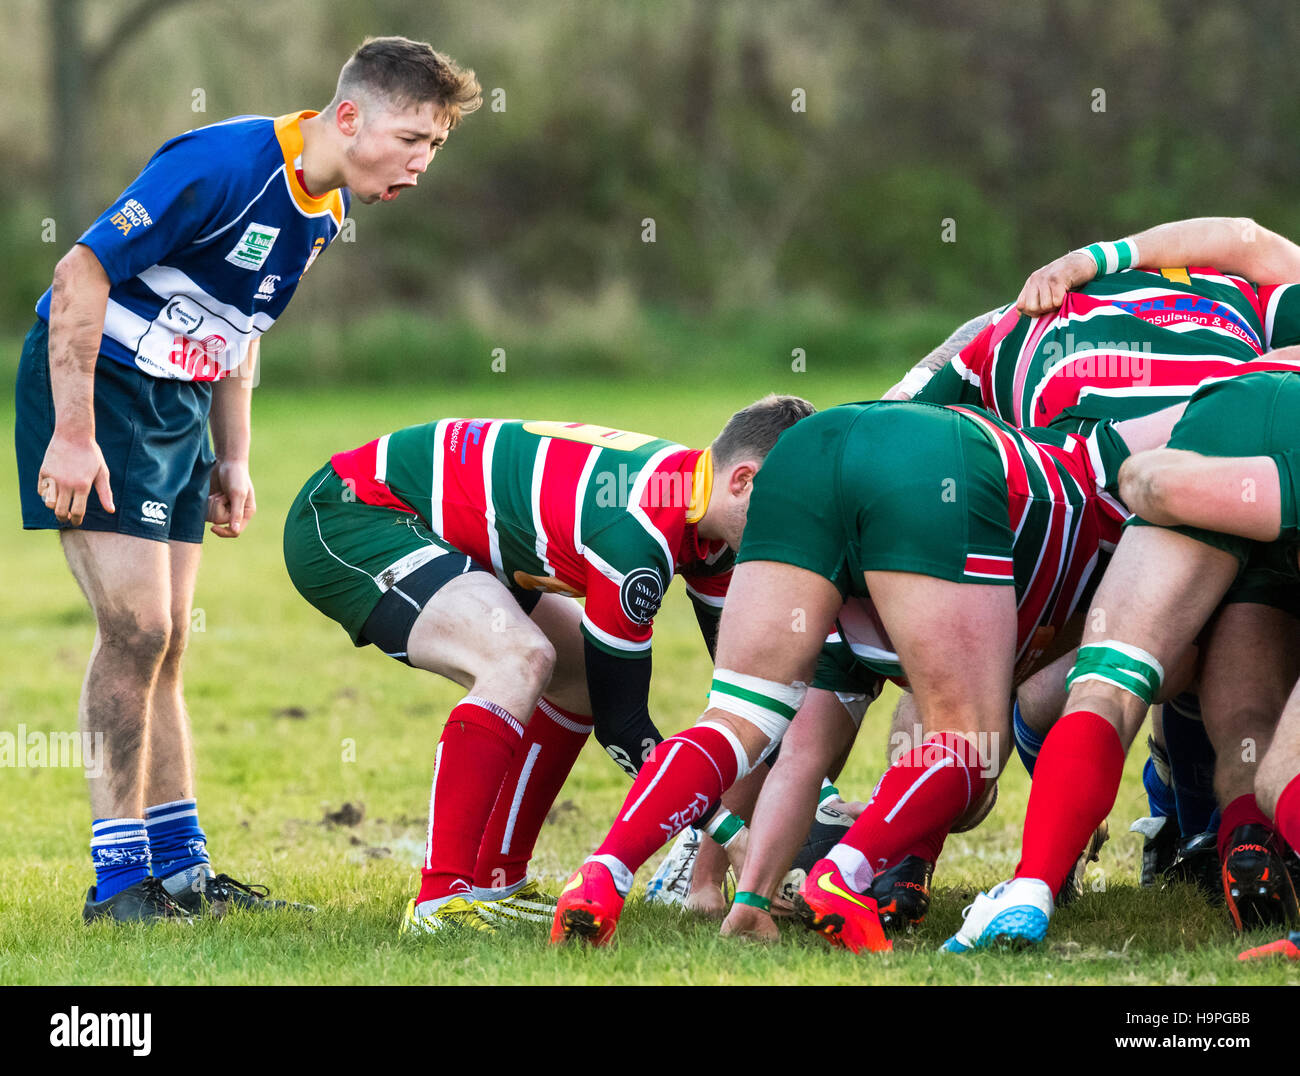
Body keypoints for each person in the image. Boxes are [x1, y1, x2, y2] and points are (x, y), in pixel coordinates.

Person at [14, 36, 482, 923]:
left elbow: (238, 325)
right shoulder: (225, 164)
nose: (422, 164)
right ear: (349, 117)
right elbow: (79, 272)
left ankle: (182, 872)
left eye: (436, 148)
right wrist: (72, 434)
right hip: (98, 388)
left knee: (172, 639)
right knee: (137, 628)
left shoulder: (324, 207)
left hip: (179, 403)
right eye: (413, 140)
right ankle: (118, 886)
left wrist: (233, 455)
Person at [550, 397, 1185, 950]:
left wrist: (754, 901)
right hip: (937, 467)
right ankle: (845, 877)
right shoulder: (1101, 474)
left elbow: (800, 755)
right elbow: (1206, 409)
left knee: (739, 717)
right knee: (972, 743)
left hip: (810, 455)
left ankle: (606, 873)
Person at [281, 398, 814, 935]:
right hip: (353, 512)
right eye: (791, 506)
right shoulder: (637, 533)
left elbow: (746, 694)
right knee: (519, 657)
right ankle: (438, 903)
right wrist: (731, 834)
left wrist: (820, 797)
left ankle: (497, 880)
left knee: (579, 675)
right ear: (742, 480)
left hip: (446, 528)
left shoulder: (706, 522)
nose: (799, 529)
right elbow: (623, 729)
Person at [945, 369, 1300, 952]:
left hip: (1226, 419)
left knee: (1109, 683)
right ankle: (1250, 840)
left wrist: (1142, 477)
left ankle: (1031, 887)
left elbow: (1150, 483)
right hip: (1232, 444)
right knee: (1276, 757)